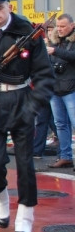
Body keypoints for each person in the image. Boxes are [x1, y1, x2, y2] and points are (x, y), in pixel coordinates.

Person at [0, 0, 53, 232]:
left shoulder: (27, 33)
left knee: (25, 164)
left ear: (9, 6)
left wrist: (33, 103)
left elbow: (43, 73)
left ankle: (25, 214)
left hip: (21, 98)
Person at [46, 14, 75, 169]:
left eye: (63, 26)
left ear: (72, 25)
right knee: (60, 125)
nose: (60, 29)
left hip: (71, 89)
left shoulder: (57, 46)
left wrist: (55, 51)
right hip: (55, 89)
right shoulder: (55, 41)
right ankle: (65, 157)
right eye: (58, 26)